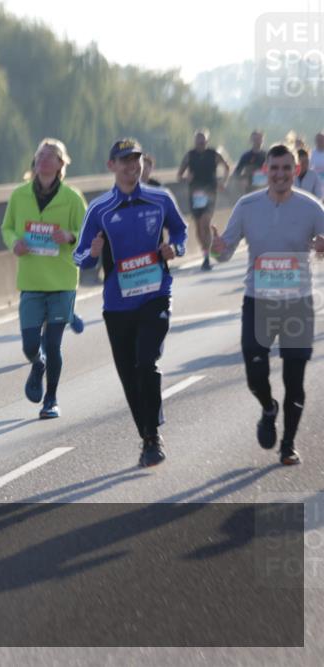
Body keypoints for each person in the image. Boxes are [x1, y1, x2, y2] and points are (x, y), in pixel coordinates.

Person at [74, 139, 188, 467]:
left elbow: (180, 233)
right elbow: (79, 256)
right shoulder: (99, 209)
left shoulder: (160, 198)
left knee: (146, 362)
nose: (131, 166)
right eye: (124, 161)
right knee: (129, 375)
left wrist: (174, 250)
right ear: (112, 166)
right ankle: (147, 434)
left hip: (155, 295)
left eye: (135, 160)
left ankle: (153, 438)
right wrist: (92, 254)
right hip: (117, 305)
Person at [212, 143, 324, 465]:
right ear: (266, 171)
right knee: (255, 371)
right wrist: (218, 247)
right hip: (258, 303)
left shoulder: (311, 207)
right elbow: (224, 252)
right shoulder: (247, 206)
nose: (280, 175)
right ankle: (267, 407)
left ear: (296, 171)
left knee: (295, 378)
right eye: (274, 169)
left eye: (286, 169)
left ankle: (288, 444)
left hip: (298, 304)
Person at [1, 138, 87, 419]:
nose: (45, 159)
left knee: (53, 343)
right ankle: (38, 364)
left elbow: (85, 233)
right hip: (31, 280)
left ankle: (50, 399)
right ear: (34, 162)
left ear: (62, 164)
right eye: (40, 155)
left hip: (62, 281)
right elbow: (7, 227)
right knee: (30, 345)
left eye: (51, 155)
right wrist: (14, 242)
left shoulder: (72, 198)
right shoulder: (19, 195)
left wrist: (70, 236)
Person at [177, 130, 231, 271]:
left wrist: (223, 182)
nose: (200, 143)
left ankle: (206, 258)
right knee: (199, 227)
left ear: (206, 141)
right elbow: (179, 175)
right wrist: (185, 178)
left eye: (203, 141)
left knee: (205, 222)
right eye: (198, 141)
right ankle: (205, 253)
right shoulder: (189, 156)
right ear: (195, 141)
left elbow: (227, 166)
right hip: (195, 195)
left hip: (210, 193)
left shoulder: (213, 154)